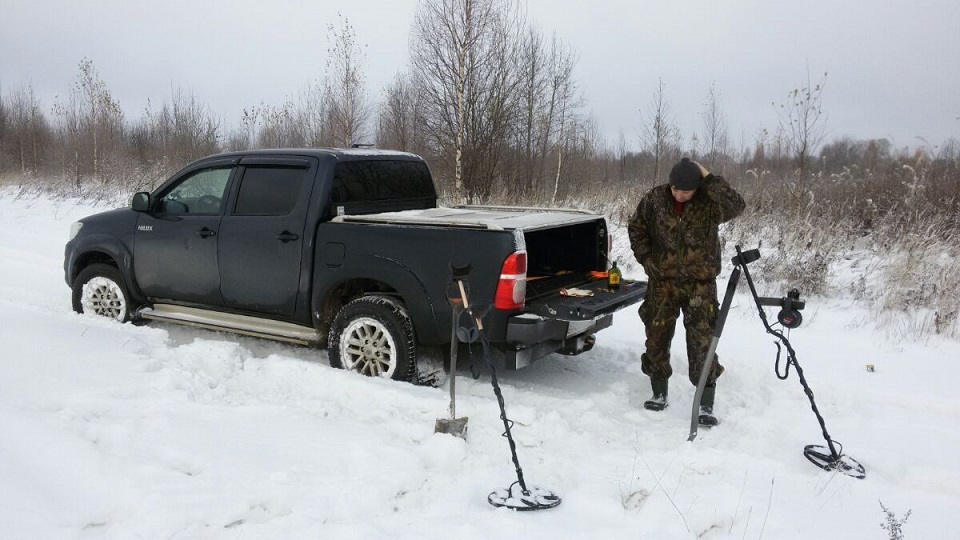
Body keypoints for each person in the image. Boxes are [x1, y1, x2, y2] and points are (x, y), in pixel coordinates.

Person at [627, 157, 745, 426]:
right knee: (656, 337)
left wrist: (708, 177)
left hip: (699, 285)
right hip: (662, 283)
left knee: (702, 342)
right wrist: (647, 260)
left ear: (697, 187)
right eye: (675, 189)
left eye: (686, 191)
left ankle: (705, 403)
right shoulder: (655, 199)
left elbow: (737, 205)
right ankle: (658, 393)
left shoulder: (709, 201)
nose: (679, 195)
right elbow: (636, 229)